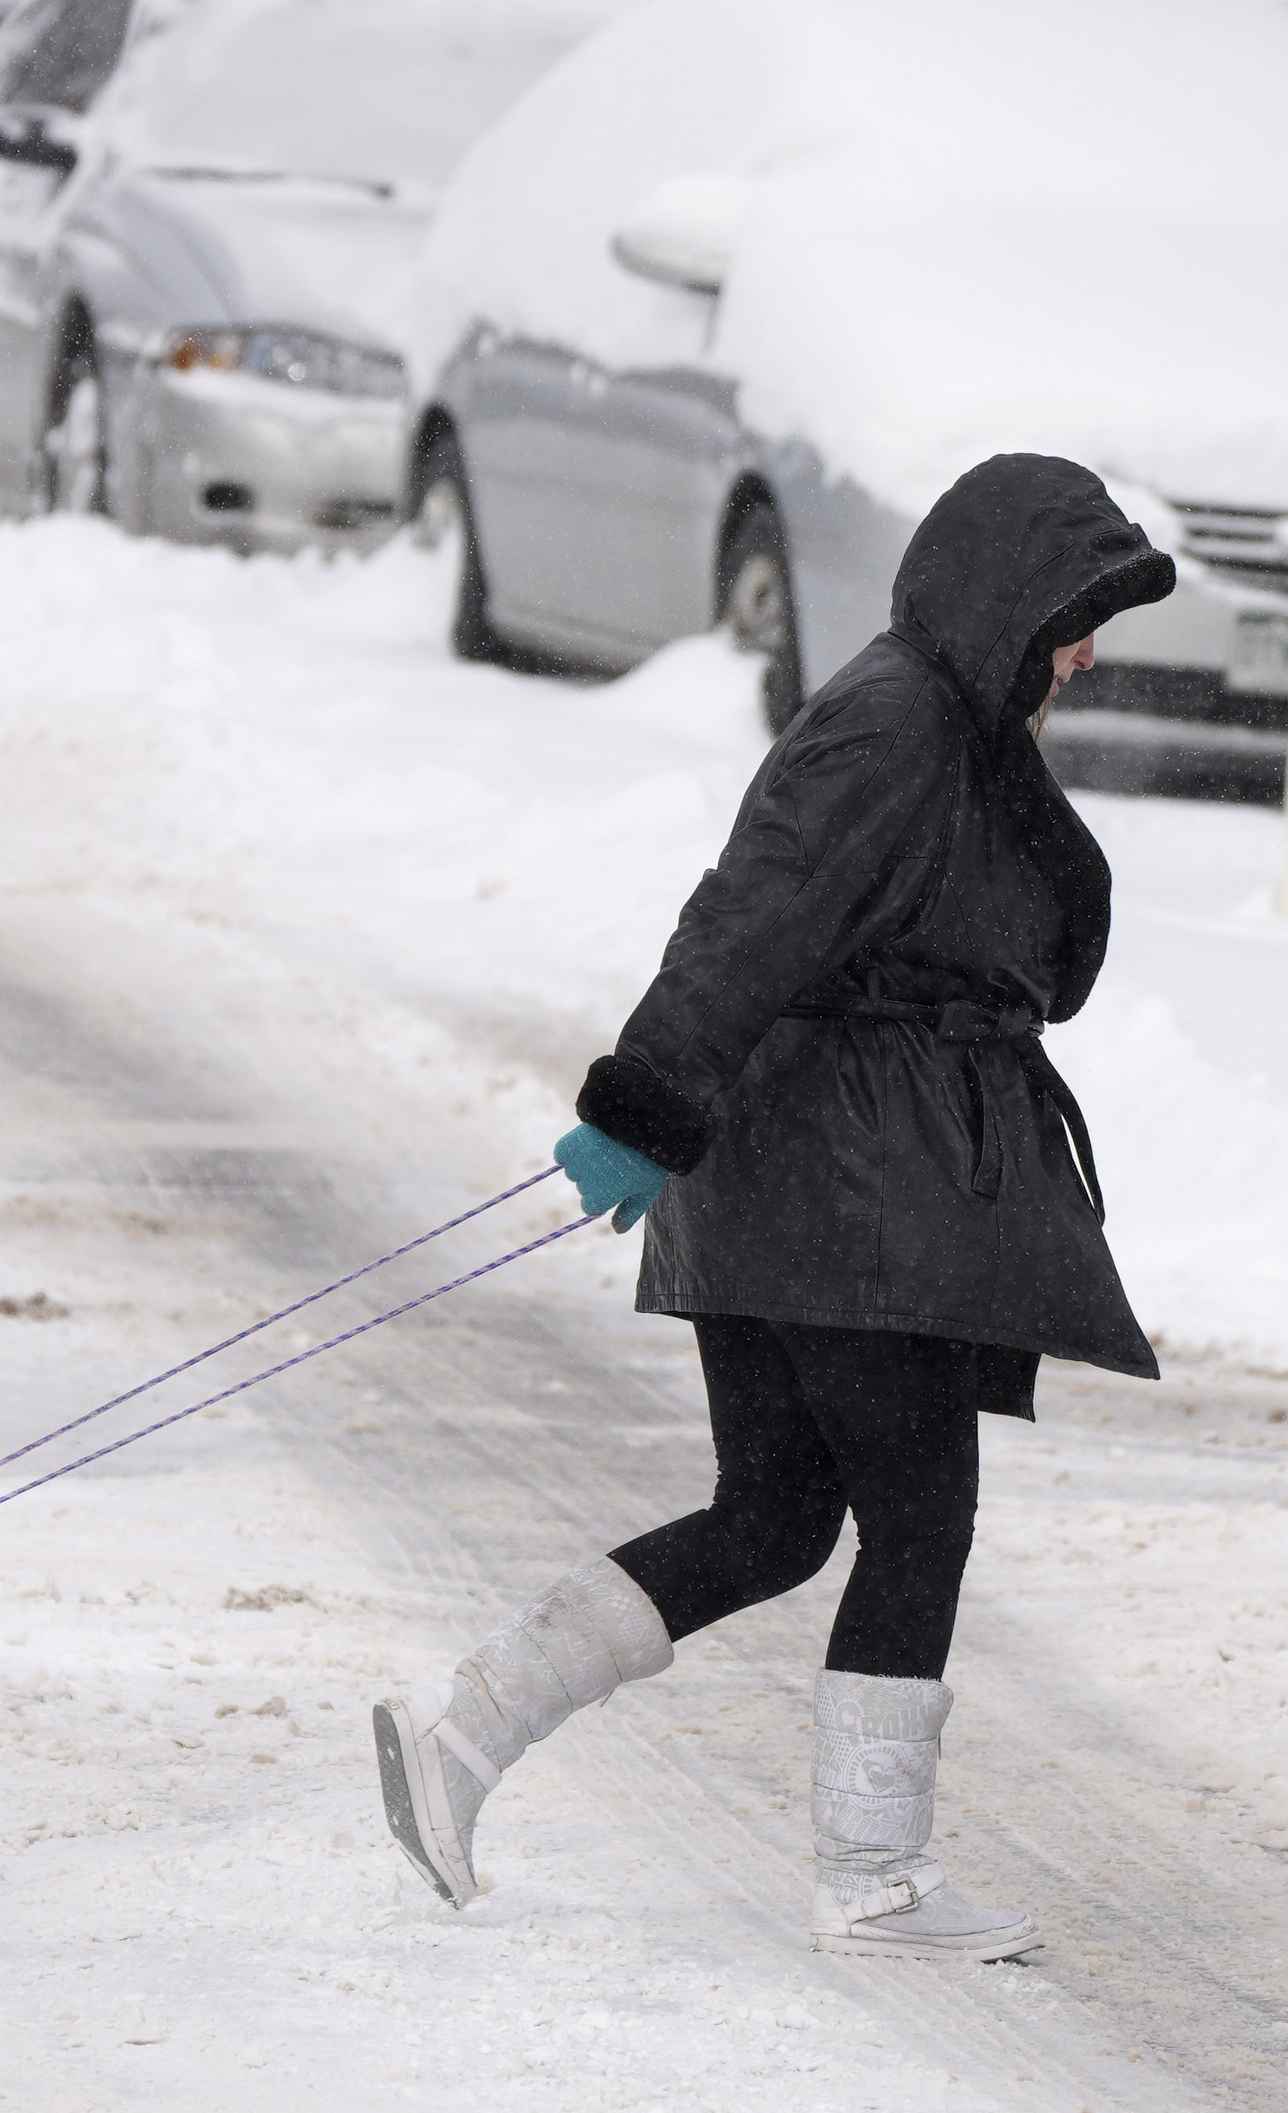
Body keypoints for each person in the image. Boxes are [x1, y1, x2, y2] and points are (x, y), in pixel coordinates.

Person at [375, 453, 1178, 1963]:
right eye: (1077, 617)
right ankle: (872, 1879)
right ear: (1005, 599)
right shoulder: (894, 725)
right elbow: (753, 909)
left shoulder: (955, 727)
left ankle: (464, 1733)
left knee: (775, 1515)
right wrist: (643, 1104)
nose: (1087, 651)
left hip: (806, 1178)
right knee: (916, 1516)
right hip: (847, 1187)